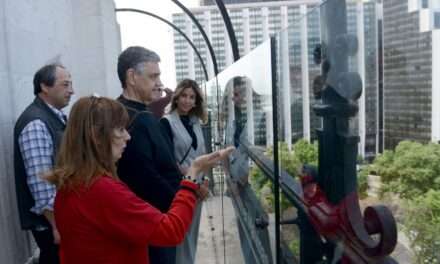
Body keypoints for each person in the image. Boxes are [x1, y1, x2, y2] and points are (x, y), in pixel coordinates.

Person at [45, 96, 234, 264]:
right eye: (120, 130)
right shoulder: (103, 190)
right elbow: (172, 231)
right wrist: (193, 173)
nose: (128, 137)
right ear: (97, 137)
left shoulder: (70, 184)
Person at [115, 46, 187, 264]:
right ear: (132, 77)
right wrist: (181, 204)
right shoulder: (138, 118)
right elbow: (146, 177)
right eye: (153, 76)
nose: (159, 83)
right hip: (153, 225)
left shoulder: (119, 112)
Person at [14, 63, 73, 264]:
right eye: (65, 84)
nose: (71, 90)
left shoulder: (53, 118)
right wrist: (57, 225)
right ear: (45, 87)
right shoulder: (36, 123)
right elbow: (41, 184)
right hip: (51, 225)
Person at [161, 79, 208, 264]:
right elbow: (170, 161)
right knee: (181, 236)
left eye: (192, 97)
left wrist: (205, 183)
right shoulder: (167, 122)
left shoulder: (195, 122)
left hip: (199, 188)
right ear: (176, 97)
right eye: (184, 96)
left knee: (193, 235)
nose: (187, 101)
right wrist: (195, 185)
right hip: (182, 188)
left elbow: (202, 154)